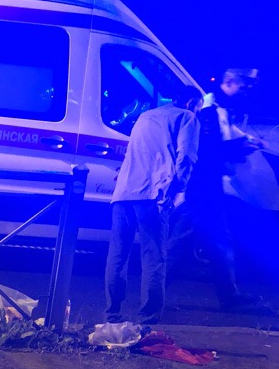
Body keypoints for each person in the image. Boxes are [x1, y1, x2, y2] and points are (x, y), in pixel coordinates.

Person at [104, 85, 202, 325]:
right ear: (190, 102)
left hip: (123, 194)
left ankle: (111, 315)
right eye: (198, 108)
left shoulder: (146, 116)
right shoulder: (186, 117)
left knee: (118, 255)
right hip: (152, 195)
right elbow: (186, 157)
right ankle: (146, 319)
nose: (198, 113)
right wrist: (178, 189)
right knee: (153, 257)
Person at [169, 67, 263, 310]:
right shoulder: (210, 110)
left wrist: (245, 142)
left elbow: (222, 140)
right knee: (186, 239)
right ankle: (152, 293)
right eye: (243, 86)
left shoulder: (219, 108)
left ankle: (228, 296)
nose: (246, 91)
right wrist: (240, 147)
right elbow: (208, 150)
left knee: (215, 238)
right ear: (229, 82)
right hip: (203, 184)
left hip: (208, 183)